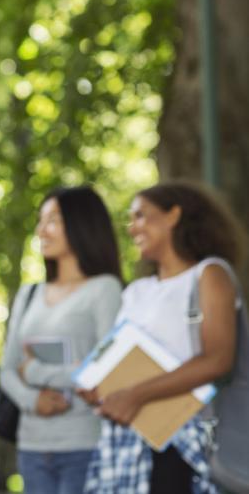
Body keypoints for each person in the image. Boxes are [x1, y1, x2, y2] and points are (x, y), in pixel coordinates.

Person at [82, 181, 246, 493]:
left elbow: (218, 359)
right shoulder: (137, 291)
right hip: (131, 443)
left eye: (141, 216)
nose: (132, 228)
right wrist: (98, 386)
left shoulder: (209, 274)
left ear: (174, 215)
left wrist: (136, 394)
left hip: (189, 439)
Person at [0, 186, 123, 494]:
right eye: (41, 221)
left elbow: (108, 369)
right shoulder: (29, 294)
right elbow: (7, 369)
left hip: (84, 445)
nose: (42, 230)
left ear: (81, 225)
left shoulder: (105, 289)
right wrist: (33, 400)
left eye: (53, 220)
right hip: (32, 448)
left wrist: (35, 371)